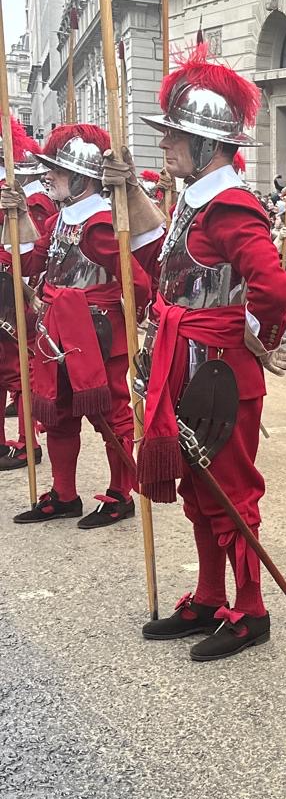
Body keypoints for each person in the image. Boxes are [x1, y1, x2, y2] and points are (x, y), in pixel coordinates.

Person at [135, 43, 286, 661]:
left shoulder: (228, 206)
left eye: (177, 137)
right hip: (185, 361)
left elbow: (273, 289)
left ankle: (250, 610)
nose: (166, 146)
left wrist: (250, 336)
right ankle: (207, 594)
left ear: (208, 147)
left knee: (229, 489)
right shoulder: (193, 201)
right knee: (199, 488)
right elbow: (163, 269)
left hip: (218, 373)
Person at [4, 124, 161, 530]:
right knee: (57, 413)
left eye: (55, 170)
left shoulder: (98, 224)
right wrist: (17, 216)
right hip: (58, 329)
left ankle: (120, 493)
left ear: (79, 176)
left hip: (96, 333)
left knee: (110, 415)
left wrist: (136, 316)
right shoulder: (61, 220)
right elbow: (31, 263)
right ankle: (64, 493)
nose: (47, 177)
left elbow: (138, 280)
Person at [0, 118, 54, 470]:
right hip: (4, 288)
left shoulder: (34, 201)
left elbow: (29, 254)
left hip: (17, 292)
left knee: (19, 371)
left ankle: (26, 443)